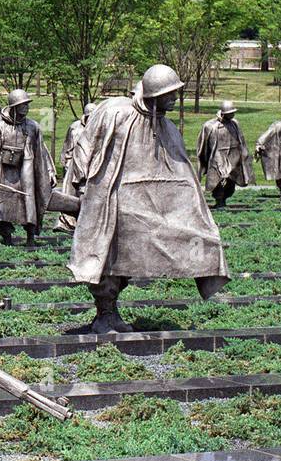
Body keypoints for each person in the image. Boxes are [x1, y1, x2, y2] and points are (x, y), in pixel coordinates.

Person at [69, 65, 229, 334]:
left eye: (176, 94)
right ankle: (105, 314)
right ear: (154, 95)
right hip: (111, 199)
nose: (174, 100)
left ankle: (110, 313)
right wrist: (81, 183)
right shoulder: (115, 112)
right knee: (107, 259)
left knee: (131, 259)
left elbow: (181, 172)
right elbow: (85, 146)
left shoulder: (166, 127)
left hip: (144, 206)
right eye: (169, 95)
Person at [0, 88, 55, 246]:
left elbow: (42, 151)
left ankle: (30, 238)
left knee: (30, 202)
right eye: (22, 105)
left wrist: (49, 171)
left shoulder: (32, 126)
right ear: (13, 106)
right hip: (1, 169)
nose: (26, 107)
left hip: (25, 168)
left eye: (27, 104)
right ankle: (7, 237)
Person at [196, 99, 253, 208]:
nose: (233, 114)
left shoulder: (235, 124)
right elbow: (203, 145)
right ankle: (219, 201)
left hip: (233, 158)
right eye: (230, 113)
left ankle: (224, 199)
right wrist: (205, 161)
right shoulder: (210, 126)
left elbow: (241, 140)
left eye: (233, 112)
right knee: (219, 180)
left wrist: (243, 156)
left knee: (231, 184)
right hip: (218, 158)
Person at [55, 101, 97, 231]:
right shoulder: (75, 128)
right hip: (74, 165)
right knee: (71, 194)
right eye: (89, 116)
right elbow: (67, 147)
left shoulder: (100, 128)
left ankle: (87, 224)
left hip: (92, 166)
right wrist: (66, 163)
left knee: (88, 195)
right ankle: (68, 222)